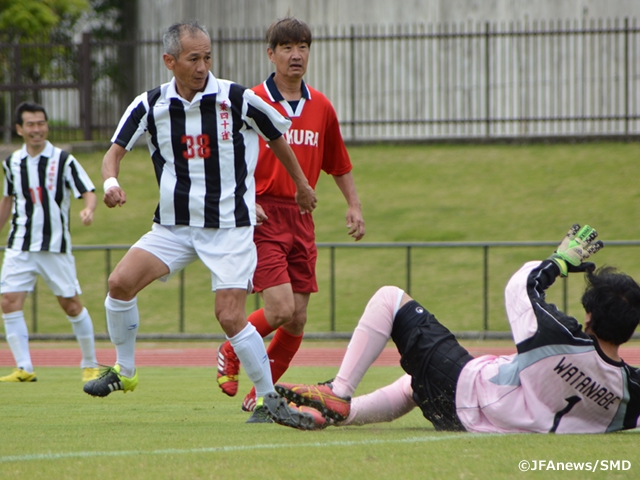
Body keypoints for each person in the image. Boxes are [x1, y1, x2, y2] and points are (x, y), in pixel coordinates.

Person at [83, 21, 316, 403]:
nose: (203, 66)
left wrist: (302, 186)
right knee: (119, 284)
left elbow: (277, 137)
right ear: (169, 61)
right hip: (174, 226)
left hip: (229, 227)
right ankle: (125, 372)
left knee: (228, 315)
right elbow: (113, 155)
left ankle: (267, 398)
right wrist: (110, 185)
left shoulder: (236, 98)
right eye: (194, 58)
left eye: (207, 57)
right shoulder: (149, 104)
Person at [264, 224, 640, 433]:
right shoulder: (630, 389)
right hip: (474, 417)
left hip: (464, 389)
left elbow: (521, 287)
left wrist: (559, 261)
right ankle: (341, 413)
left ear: (588, 317)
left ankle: (339, 392)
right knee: (414, 385)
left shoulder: (559, 336)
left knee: (390, 298)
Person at [216, 17, 366, 422]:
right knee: (279, 308)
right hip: (263, 215)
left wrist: (353, 206)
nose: (295, 54)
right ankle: (231, 348)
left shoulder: (322, 106)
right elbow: (224, 159)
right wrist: (245, 199)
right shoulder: (250, 101)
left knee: (297, 319)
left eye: (302, 46)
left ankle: (260, 398)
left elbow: (339, 163)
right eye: (286, 47)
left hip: (303, 217)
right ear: (271, 54)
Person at [0, 102, 99, 383]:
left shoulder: (63, 160)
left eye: (41, 123)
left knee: (70, 304)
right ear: (20, 129)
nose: (37, 129)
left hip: (55, 247)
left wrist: (89, 209)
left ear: (47, 126)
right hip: (19, 245)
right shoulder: (12, 163)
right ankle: (24, 368)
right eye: (30, 124)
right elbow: (8, 200)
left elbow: (87, 190)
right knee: (8, 301)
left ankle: (90, 364)